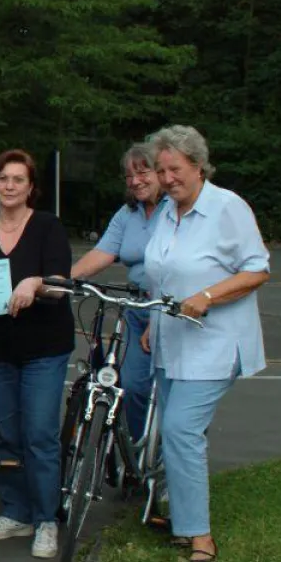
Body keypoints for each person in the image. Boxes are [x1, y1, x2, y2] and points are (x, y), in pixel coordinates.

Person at [142, 125, 268, 562]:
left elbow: (257, 270)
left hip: (214, 343)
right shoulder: (166, 211)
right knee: (175, 433)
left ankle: (199, 535)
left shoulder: (226, 207)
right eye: (161, 170)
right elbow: (163, 272)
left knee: (180, 430)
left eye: (175, 168)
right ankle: (177, 513)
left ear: (198, 165)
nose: (168, 177)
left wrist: (208, 296)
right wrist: (152, 322)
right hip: (169, 341)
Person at [0, 149, 73, 559]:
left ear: (30, 187)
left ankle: (45, 519)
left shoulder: (47, 227)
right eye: (3, 179)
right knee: (6, 433)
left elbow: (61, 286)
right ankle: (16, 510)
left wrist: (36, 282)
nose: (9, 186)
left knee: (39, 434)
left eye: (17, 180)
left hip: (44, 348)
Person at [70, 143, 166, 442]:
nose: (135, 181)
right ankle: (134, 456)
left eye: (143, 172)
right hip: (137, 306)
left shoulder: (175, 209)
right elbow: (103, 252)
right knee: (132, 386)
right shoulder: (128, 213)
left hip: (169, 306)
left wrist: (160, 317)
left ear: (161, 172)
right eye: (129, 175)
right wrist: (59, 280)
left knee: (173, 391)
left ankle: (167, 456)